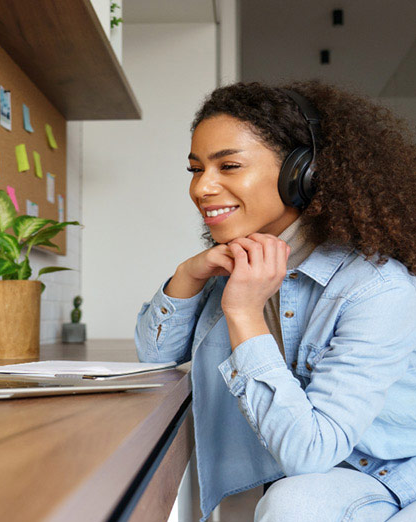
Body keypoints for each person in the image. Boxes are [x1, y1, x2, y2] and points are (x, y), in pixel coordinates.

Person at [135, 79, 416, 521]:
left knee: (294, 503)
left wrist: (244, 312)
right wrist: (188, 275)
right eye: (196, 169)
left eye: (228, 166)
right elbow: (154, 355)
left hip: (387, 478)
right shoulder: (243, 260)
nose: (202, 188)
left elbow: (309, 454)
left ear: (302, 173)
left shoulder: (377, 290)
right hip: (314, 475)